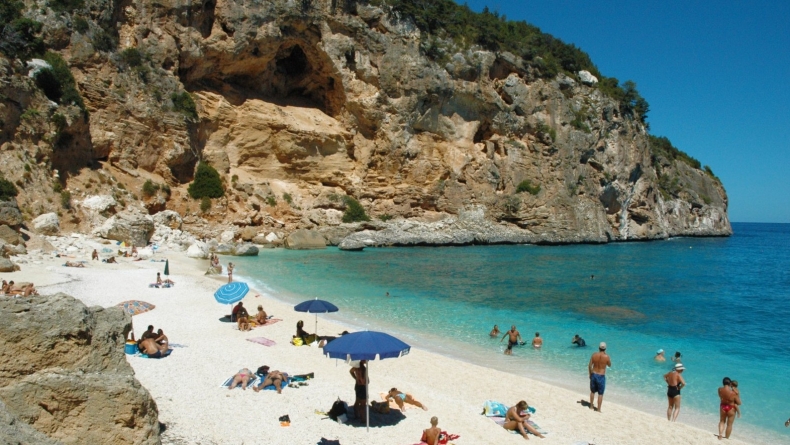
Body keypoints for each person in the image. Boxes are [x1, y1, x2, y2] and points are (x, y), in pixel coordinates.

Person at [588, 342, 611, 412]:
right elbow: (609, 365)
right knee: (600, 393)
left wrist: (590, 374)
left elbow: (589, 365)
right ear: (605, 348)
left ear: (599, 347)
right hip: (601, 376)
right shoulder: (607, 357)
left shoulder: (594, 355)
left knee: (592, 391)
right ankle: (598, 409)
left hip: (594, 374)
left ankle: (591, 406)